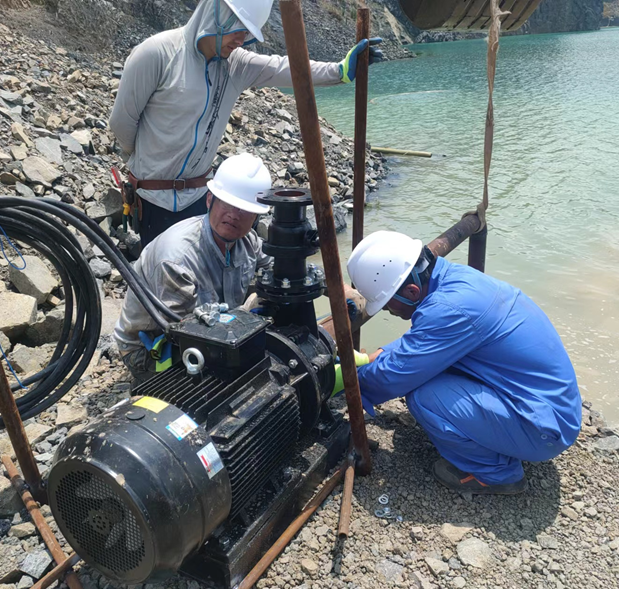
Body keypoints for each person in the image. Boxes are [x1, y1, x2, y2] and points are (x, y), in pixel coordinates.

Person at [109, 0, 383, 247]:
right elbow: (122, 123)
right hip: (153, 200)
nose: (241, 40)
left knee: (203, 275)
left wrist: (340, 70)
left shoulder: (235, 65)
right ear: (217, 12)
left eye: (247, 33)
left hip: (201, 197)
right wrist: (145, 164)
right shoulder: (157, 54)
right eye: (238, 29)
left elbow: (285, 67)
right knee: (158, 276)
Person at [343, 231, 582, 495]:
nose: (389, 312)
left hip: (543, 430)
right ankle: (497, 440)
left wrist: (346, 381)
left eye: (388, 305)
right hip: (549, 406)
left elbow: (394, 376)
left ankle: (496, 474)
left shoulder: (450, 309)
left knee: (424, 397)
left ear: (411, 291)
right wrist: (378, 354)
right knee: (430, 372)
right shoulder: (456, 281)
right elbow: (426, 340)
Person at [113, 153, 273, 378]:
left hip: (217, 329)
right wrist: (246, 317)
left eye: (245, 210)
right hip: (154, 347)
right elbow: (188, 332)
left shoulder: (248, 242)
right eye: (227, 203)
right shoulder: (177, 259)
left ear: (256, 217)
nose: (234, 215)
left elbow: (278, 269)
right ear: (209, 200)